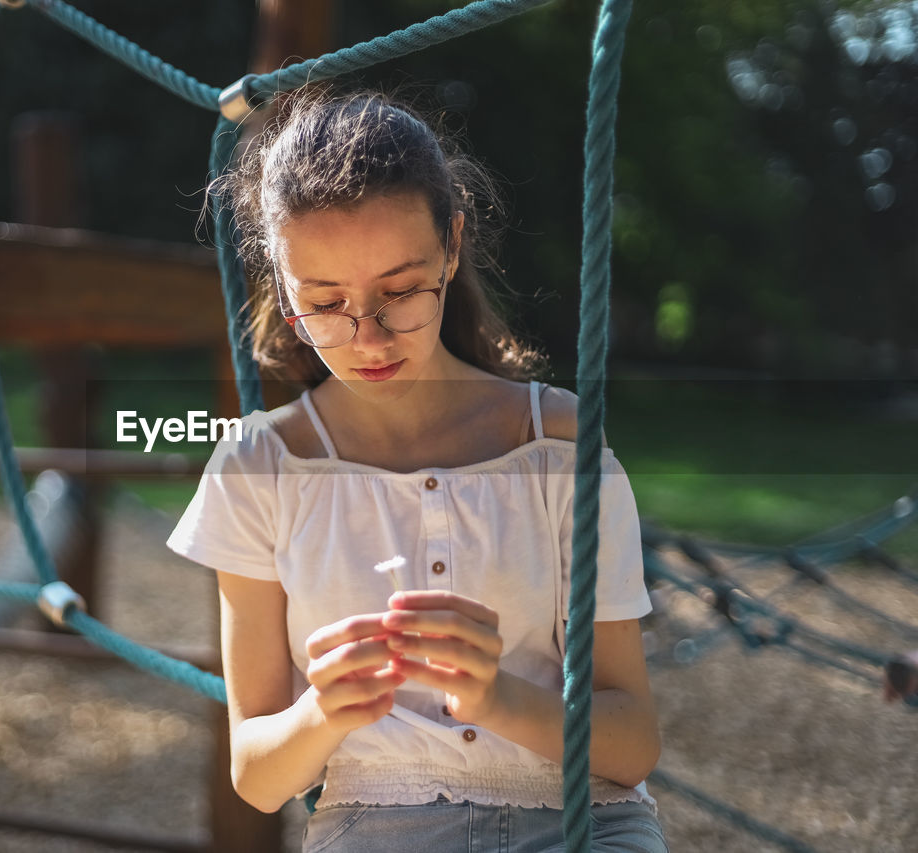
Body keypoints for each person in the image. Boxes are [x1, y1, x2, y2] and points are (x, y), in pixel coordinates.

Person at [167, 88, 667, 852]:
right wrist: (324, 712)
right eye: (325, 301)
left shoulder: (559, 442)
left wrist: (498, 697)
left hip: (582, 821)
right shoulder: (261, 467)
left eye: (400, 291)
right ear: (280, 276)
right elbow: (259, 776)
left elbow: (631, 744)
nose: (367, 335)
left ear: (453, 244)